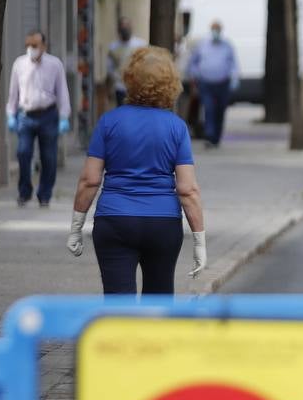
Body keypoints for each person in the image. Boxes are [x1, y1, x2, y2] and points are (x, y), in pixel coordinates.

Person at [67, 47, 206, 295]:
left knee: (119, 306)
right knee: (159, 303)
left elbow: (89, 181)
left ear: (129, 79)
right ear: (171, 84)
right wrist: (199, 240)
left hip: (115, 220)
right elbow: (187, 190)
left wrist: (77, 226)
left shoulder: (109, 122)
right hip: (162, 224)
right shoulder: (176, 127)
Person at [6, 30, 72, 208]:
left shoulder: (54, 64)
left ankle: (44, 194)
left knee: (49, 157)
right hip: (25, 116)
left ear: (43, 46)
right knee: (23, 153)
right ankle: (24, 192)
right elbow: (13, 92)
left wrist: (64, 116)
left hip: (48, 115)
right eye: (28, 45)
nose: (30, 49)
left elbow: (62, 92)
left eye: (34, 45)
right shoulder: (19, 64)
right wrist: (10, 114)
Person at [187, 20, 239, 147]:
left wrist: (234, 79)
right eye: (214, 29)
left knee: (220, 110)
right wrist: (196, 74)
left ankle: (216, 136)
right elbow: (193, 63)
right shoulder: (203, 45)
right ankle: (209, 135)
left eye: (218, 29)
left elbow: (233, 64)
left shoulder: (227, 45)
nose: (216, 31)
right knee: (209, 108)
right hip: (206, 83)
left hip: (222, 83)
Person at [106, 18, 146, 107]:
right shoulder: (113, 47)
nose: (125, 29)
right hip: (120, 87)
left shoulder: (141, 45)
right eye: (123, 27)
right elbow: (109, 68)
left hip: (137, 87)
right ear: (119, 30)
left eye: (127, 26)